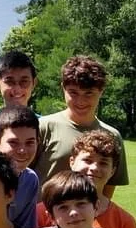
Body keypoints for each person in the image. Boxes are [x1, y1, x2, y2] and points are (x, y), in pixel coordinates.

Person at [35, 55, 129, 198]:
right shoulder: (43, 127)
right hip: (43, 211)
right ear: (63, 88)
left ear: (101, 91)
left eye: (89, 93)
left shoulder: (112, 136)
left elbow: (106, 193)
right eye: (73, 92)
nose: (80, 101)